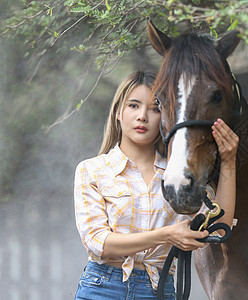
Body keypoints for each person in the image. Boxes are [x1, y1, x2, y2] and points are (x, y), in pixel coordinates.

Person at [73, 71, 238, 300]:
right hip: (102, 287)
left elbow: (219, 227)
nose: (143, 116)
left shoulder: (177, 177)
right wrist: (168, 235)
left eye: (155, 108)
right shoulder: (92, 170)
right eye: (133, 105)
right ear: (118, 112)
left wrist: (229, 160)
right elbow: (99, 243)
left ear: (166, 117)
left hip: (158, 289)